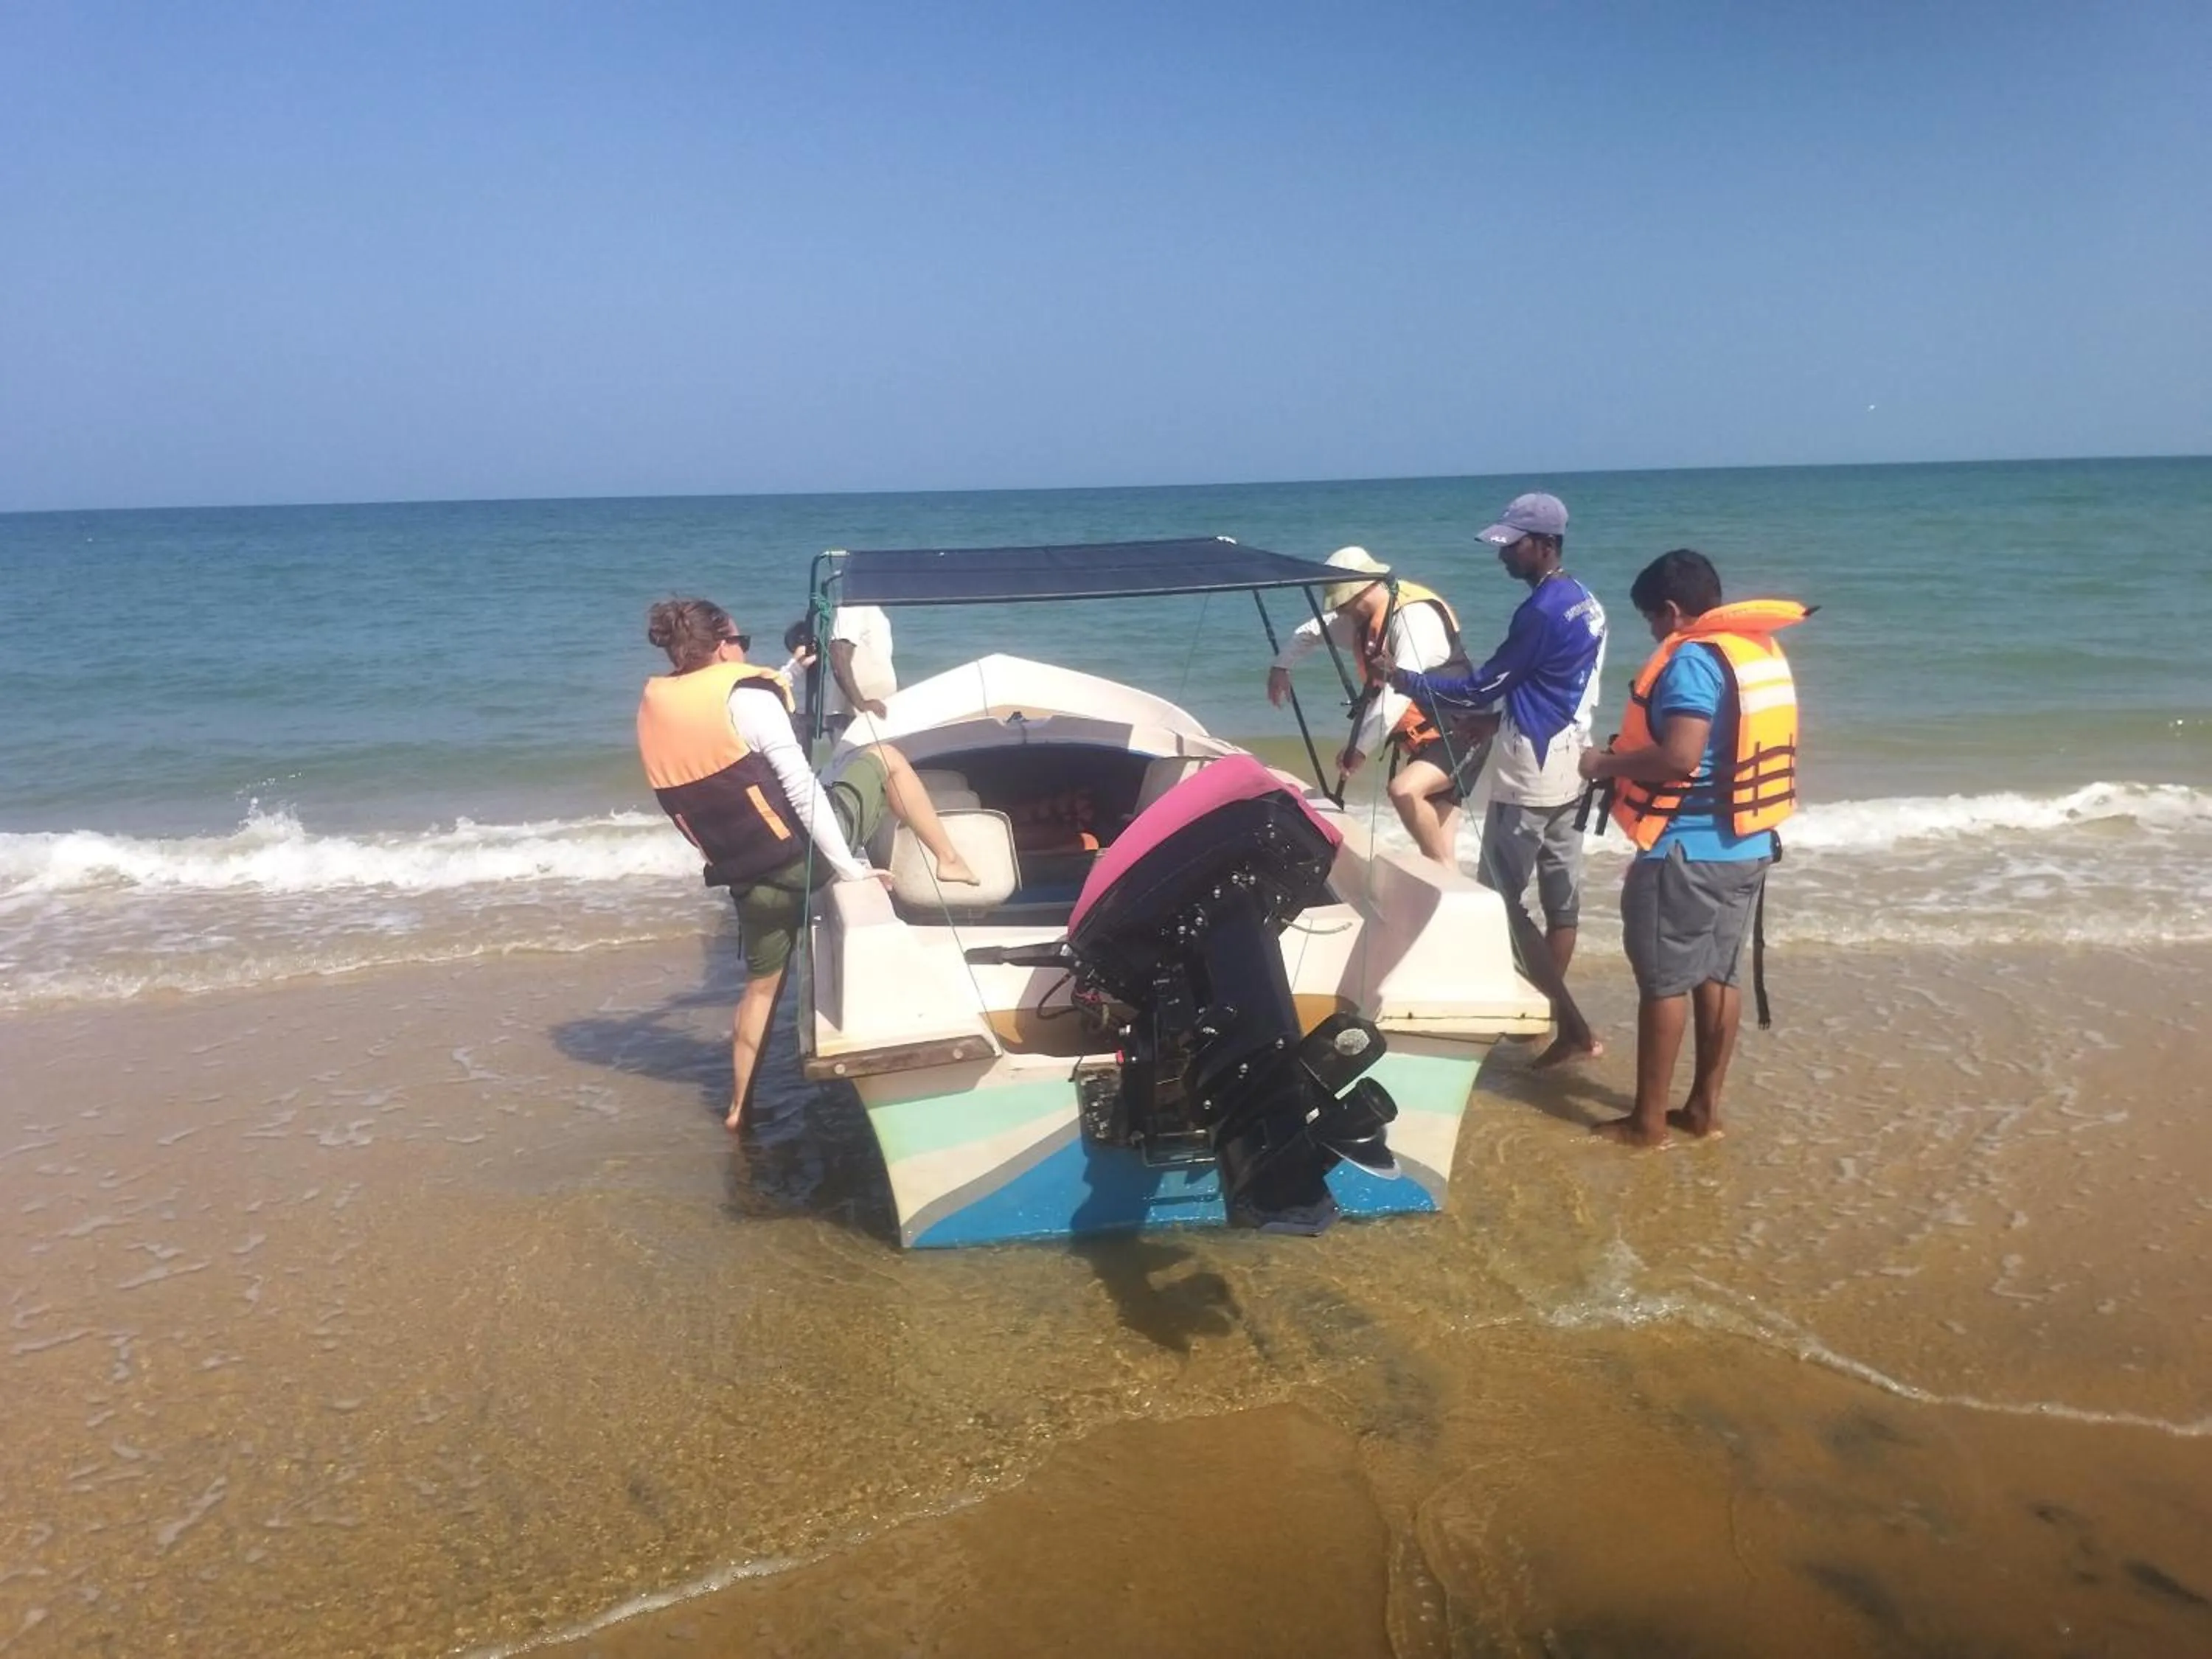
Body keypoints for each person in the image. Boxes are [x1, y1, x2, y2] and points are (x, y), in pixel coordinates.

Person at [637, 598, 977, 1132]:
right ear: (724, 645)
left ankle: (737, 1110)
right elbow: (799, 788)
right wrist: (849, 868)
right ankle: (952, 860)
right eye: (741, 641)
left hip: (747, 878)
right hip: (803, 863)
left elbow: (732, 730)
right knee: (886, 760)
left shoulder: (664, 706)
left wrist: (795, 668)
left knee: (760, 989)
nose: (745, 651)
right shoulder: (748, 699)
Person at [1576, 549, 1809, 1148]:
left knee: (1664, 983)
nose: (1653, 632)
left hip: (1685, 850)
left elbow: (1680, 756)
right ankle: (1704, 1110)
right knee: (1719, 974)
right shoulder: (1752, 650)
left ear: (1674, 611)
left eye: (1653, 619)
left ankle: (1647, 1123)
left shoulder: (1690, 661)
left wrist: (1606, 763)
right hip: (1750, 843)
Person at [1388, 493, 1607, 1068]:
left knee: (1503, 901)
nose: (1504, 555)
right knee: (1562, 907)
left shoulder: (1538, 612)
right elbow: (1559, 686)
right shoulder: (1586, 602)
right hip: (1571, 759)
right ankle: (1547, 1015)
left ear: (1545, 545)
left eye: (1513, 545)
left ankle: (1573, 1027)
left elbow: (1481, 685)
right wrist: (1496, 720)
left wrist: (1406, 680)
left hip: (1530, 774)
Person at [1266, 546, 1474, 863]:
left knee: (1404, 791)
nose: (1342, 613)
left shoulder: (1415, 618)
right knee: (1438, 847)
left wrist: (1360, 748)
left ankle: (1447, 881)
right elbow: (1310, 631)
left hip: (1462, 729)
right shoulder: (1361, 618)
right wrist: (1282, 667)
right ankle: (1453, 892)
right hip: (1423, 741)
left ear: (1366, 588)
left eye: (1344, 604)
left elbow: (1398, 693)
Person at [821, 602, 896, 738]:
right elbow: (838, 653)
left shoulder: (872, 609)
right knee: (863, 759)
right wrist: (860, 703)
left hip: (874, 712)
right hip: (853, 716)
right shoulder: (854, 606)